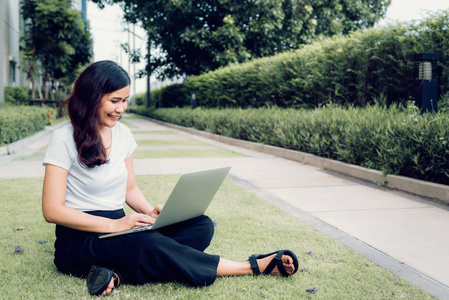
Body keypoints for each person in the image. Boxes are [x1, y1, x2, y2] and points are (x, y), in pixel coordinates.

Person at [42, 60, 299, 296]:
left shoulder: (123, 135)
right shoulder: (64, 139)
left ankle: (116, 274)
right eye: (114, 101)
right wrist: (114, 225)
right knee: (146, 242)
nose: (122, 108)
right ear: (92, 97)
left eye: (125, 100)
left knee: (200, 226)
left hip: (122, 231)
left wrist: (153, 214)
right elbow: (52, 210)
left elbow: (130, 189)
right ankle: (249, 266)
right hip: (79, 239)